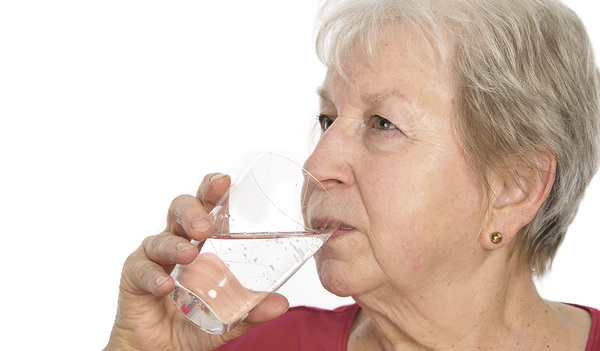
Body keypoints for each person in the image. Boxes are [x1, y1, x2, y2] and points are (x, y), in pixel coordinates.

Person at [104, 0, 600, 349]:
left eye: (383, 124)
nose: (317, 167)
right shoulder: (266, 345)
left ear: (515, 189)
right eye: (327, 119)